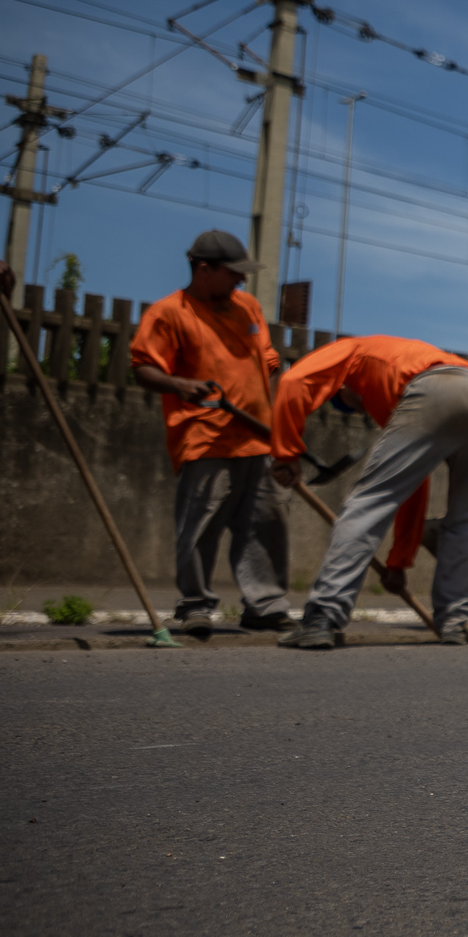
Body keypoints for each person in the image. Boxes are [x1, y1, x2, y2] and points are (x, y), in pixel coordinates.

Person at [271, 335, 468, 649]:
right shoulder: (394, 380)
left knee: (368, 503)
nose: (358, 410)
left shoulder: (352, 352)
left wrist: (285, 454)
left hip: (438, 386)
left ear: (345, 386)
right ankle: (454, 623)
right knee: (464, 515)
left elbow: (293, 381)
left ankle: (322, 618)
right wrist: (398, 563)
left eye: (348, 402)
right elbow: (413, 487)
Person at [128, 230, 292, 638]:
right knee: (199, 527)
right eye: (233, 273)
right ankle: (194, 606)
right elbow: (143, 368)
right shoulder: (168, 313)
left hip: (257, 436)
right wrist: (181, 384)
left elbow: (268, 360)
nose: (241, 281)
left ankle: (265, 605)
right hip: (203, 436)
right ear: (204, 269)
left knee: (266, 523)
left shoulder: (247, 307)